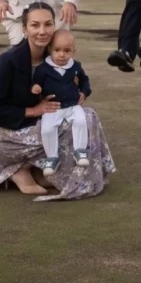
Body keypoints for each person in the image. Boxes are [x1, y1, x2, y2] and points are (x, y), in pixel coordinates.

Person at [0, 3, 115, 201]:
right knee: (79, 120)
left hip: (41, 122)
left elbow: (80, 78)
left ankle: (40, 170)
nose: (42, 31)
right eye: (35, 25)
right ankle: (18, 169)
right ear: (24, 29)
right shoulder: (7, 62)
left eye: (48, 25)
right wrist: (34, 110)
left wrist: (82, 93)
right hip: (8, 133)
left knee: (86, 116)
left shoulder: (55, 56)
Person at [30, 29, 91, 176]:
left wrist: (84, 91)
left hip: (72, 104)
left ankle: (80, 150)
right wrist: (36, 87)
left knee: (81, 121)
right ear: (50, 49)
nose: (62, 54)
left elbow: (84, 80)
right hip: (53, 107)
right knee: (47, 129)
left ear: (73, 51)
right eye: (57, 50)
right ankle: (52, 157)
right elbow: (35, 81)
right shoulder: (43, 69)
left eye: (67, 50)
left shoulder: (75, 67)